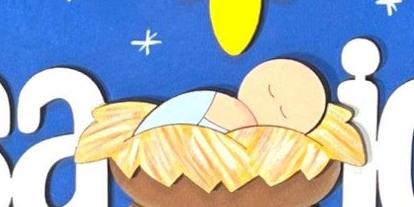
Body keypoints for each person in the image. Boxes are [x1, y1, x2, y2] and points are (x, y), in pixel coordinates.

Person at [134, 58, 330, 136]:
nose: (273, 103)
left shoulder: (256, 135)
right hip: (160, 137)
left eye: (283, 112)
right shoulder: (225, 106)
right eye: (270, 91)